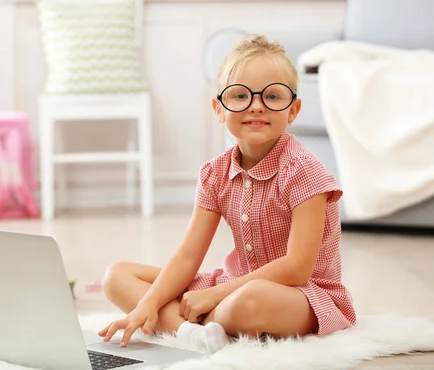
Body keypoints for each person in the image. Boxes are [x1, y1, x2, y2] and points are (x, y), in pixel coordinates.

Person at [98, 34, 356, 354]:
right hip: (233, 282)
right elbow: (187, 257)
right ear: (219, 109)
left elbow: (297, 268)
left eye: (273, 96)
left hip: (299, 295)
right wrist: (146, 305)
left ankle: (190, 323)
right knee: (117, 276)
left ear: (293, 109)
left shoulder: (304, 171)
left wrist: (216, 296)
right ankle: (192, 334)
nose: (257, 106)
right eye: (240, 96)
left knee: (248, 301)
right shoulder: (214, 173)